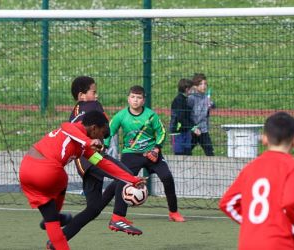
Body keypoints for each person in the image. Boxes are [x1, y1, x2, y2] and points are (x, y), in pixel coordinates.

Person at [19, 110, 145, 250]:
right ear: (93, 128)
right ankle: (56, 216)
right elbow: (66, 126)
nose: (102, 138)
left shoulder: (85, 149)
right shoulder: (72, 129)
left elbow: (103, 163)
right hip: (46, 171)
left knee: (52, 220)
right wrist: (88, 141)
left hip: (25, 170)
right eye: (102, 134)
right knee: (61, 178)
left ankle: (55, 218)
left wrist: (131, 179)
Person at [104, 85, 186, 235]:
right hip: (130, 155)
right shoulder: (121, 116)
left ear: (144, 100)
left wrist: (156, 149)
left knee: (167, 177)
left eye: (139, 97)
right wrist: (104, 145)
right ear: (128, 99)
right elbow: (109, 132)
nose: (135, 100)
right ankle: (119, 216)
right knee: (123, 181)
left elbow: (161, 132)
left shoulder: (151, 115)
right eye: (133, 97)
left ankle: (173, 212)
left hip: (152, 154)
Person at [219, 112, 294, 250]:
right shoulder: (291, 167)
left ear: (264, 139)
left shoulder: (251, 167)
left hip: (248, 243)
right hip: (280, 243)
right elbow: (290, 202)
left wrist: (254, 224)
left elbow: (227, 203)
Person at [170, 78, 200, 155]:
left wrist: (194, 126)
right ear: (187, 89)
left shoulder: (185, 99)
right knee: (179, 155)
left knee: (188, 153)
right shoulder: (178, 100)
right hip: (177, 132)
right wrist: (193, 128)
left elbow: (188, 116)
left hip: (186, 131)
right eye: (192, 89)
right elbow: (181, 118)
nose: (193, 91)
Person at [188, 73, 215, 156]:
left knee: (210, 152)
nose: (204, 86)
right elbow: (186, 114)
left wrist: (211, 104)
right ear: (195, 86)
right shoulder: (191, 97)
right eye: (201, 84)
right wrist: (192, 127)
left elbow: (212, 106)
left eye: (205, 84)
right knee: (186, 152)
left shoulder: (206, 97)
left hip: (203, 129)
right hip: (193, 130)